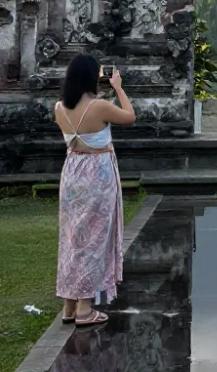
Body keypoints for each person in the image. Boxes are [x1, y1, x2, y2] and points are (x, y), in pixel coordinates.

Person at [54, 54, 135, 326]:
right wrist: (119, 87)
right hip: (97, 174)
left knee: (72, 237)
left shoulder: (59, 108)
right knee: (93, 240)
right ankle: (85, 308)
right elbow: (130, 117)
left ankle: (69, 304)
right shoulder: (99, 107)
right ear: (91, 77)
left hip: (72, 172)